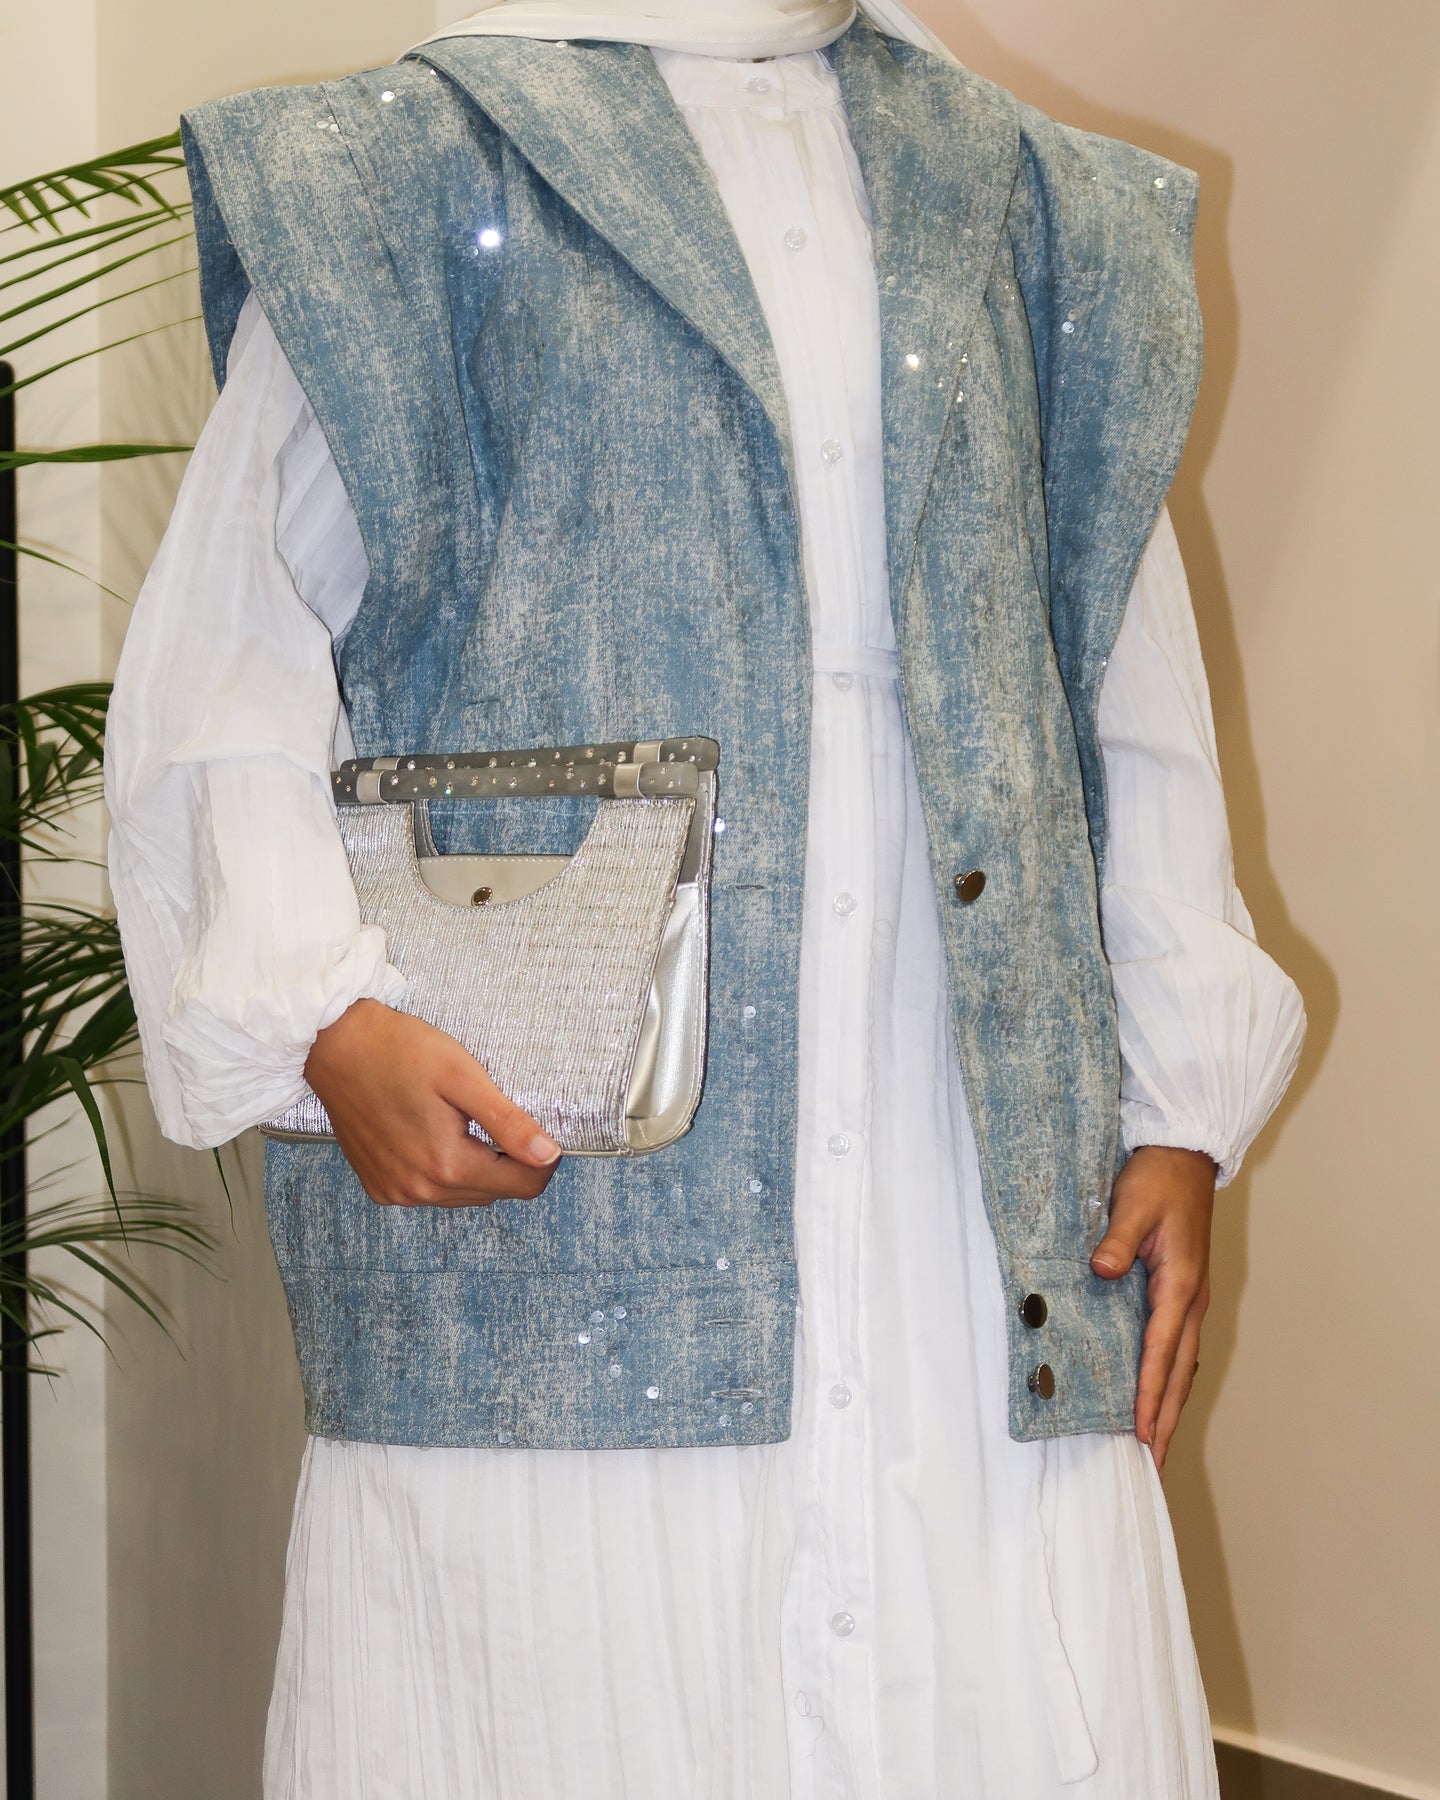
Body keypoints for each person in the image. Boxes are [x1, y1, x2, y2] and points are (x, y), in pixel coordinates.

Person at [105, 2, 1306, 1794]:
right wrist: (317, 1015)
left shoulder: (1023, 197)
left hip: (966, 1175)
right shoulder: (406, 173)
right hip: (564, 1211)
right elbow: (229, 666)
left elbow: (1117, 675)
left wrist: (1179, 1106)